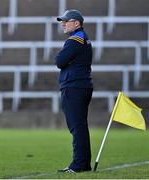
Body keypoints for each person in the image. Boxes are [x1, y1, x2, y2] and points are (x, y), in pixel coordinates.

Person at [55, 9, 93, 173]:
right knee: (80, 126)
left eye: (66, 21)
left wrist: (62, 58)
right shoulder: (83, 38)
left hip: (74, 87)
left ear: (76, 23)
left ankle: (79, 165)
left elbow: (59, 61)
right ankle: (83, 164)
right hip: (81, 86)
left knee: (77, 127)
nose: (63, 24)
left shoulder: (74, 40)